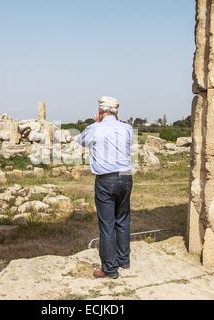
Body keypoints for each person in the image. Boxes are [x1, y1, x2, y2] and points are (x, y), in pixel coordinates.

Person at [76, 97, 134, 279]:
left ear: (101, 111)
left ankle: (109, 268)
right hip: (125, 177)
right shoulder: (127, 128)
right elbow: (128, 144)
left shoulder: (95, 128)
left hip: (106, 179)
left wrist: (96, 123)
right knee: (123, 218)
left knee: (107, 224)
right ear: (116, 111)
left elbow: (81, 141)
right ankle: (123, 260)